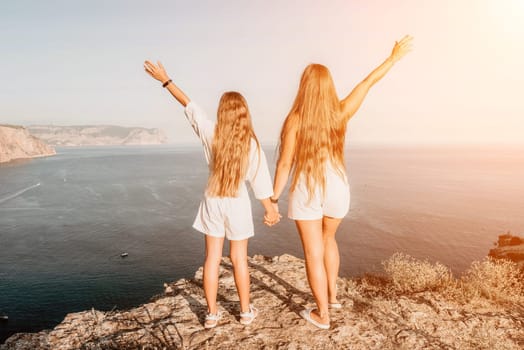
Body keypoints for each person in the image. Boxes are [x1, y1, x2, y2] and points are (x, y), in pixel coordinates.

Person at [270, 35, 413, 329]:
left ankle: (322, 314)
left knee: (313, 252)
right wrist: (393, 58)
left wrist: (273, 198)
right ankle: (333, 297)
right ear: (328, 86)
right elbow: (367, 82)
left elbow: (285, 163)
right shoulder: (341, 112)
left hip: (308, 188)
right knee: (329, 239)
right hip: (338, 186)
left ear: (305, 86)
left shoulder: (295, 119)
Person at [144, 60, 281, 329]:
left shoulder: (212, 133)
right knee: (239, 259)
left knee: (212, 259)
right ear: (244, 114)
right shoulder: (251, 145)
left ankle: (212, 314)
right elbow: (260, 182)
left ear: (222, 113)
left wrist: (166, 80)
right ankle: (245, 312)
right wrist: (270, 209)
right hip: (237, 202)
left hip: (213, 200)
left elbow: (190, 106)